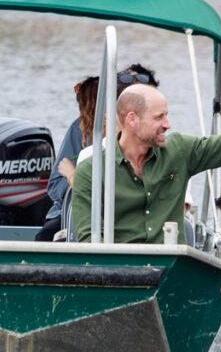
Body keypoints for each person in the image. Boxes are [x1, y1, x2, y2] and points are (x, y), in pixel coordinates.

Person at [71, 47, 221, 244]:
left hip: (174, 271)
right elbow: (88, 242)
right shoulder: (91, 170)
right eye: (159, 117)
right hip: (119, 272)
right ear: (132, 120)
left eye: (166, 115)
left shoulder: (179, 150)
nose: (167, 124)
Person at [34, 64, 159, 242]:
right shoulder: (83, 138)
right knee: (47, 236)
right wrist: (73, 181)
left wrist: (73, 176)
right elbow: (55, 184)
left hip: (129, 217)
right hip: (75, 212)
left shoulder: (160, 143)